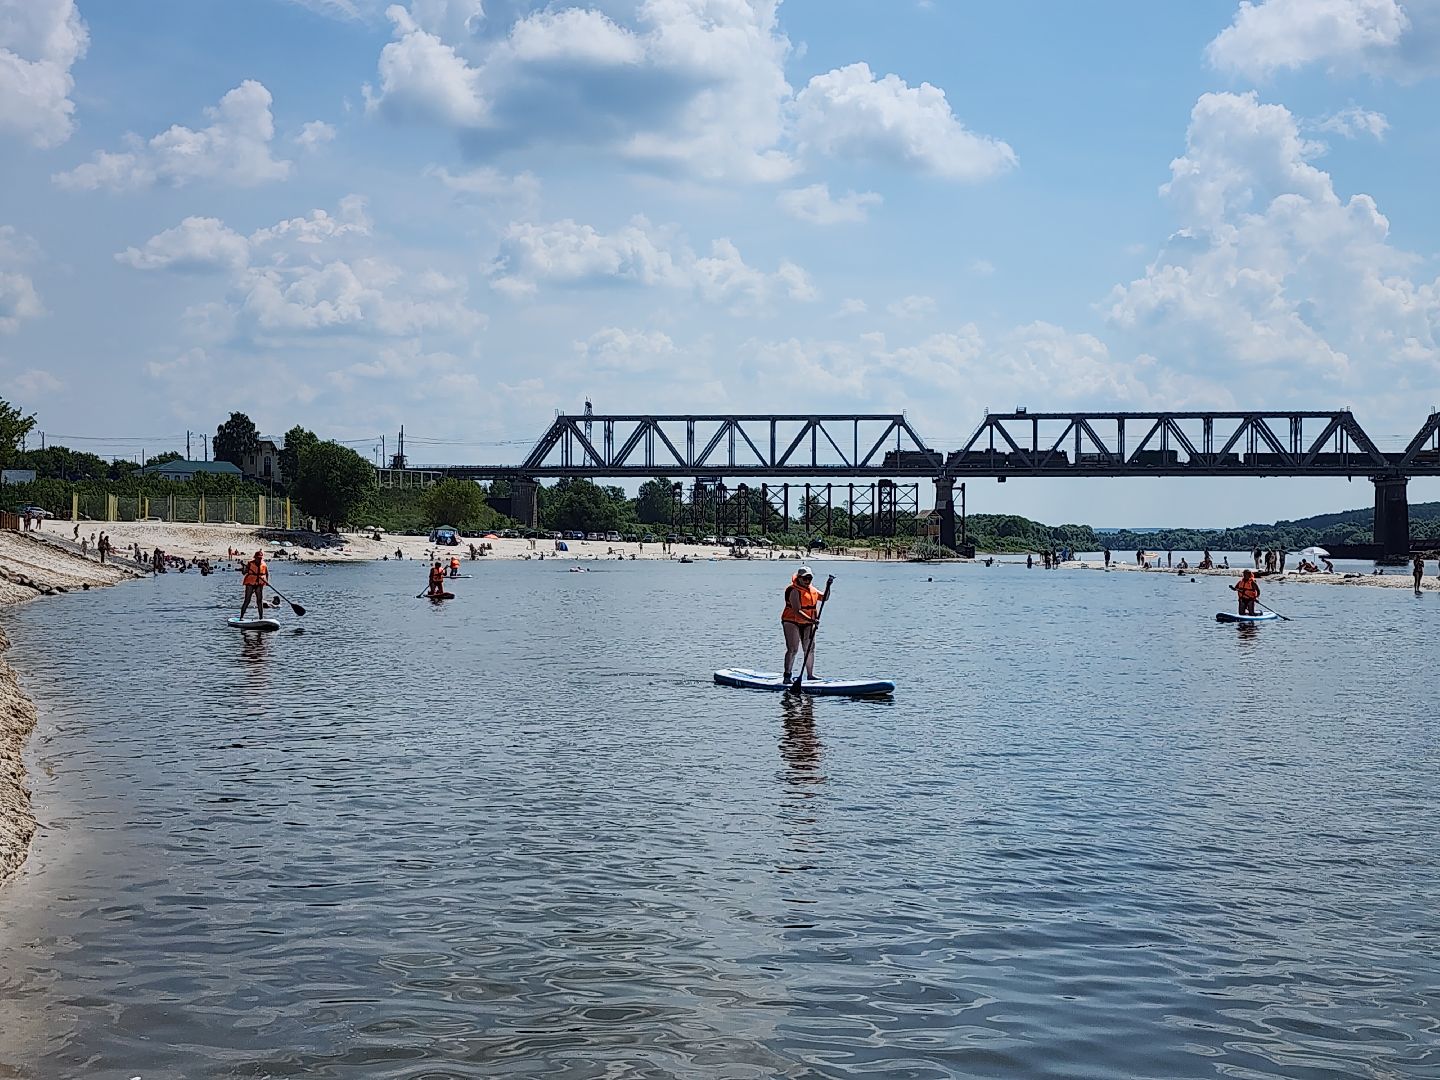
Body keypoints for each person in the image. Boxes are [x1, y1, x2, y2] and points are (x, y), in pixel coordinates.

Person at [781, 566, 832, 684]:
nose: (807, 581)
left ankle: (810, 675)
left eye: (810, 578)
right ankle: (787, 676)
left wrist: (828, 586)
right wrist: (812, 620)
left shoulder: (812, 590)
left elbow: (825, 598)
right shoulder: (794, 590)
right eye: (805, 578)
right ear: (799, 578)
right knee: (793, 649)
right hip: (791, 621)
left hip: (808, 623)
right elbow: (797, 611)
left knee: (809, 648)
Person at [240, 550, 269, 620]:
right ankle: (241, 617)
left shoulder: (264, 564)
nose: (259, 559)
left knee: (259, 600)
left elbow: (267, 574)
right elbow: (244, 573)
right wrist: (244, 568)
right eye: (258, 558)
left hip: (259, 584)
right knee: (247, 600)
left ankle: (261, 617)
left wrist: (267, 582)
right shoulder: (250, 564)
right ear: (255, 557)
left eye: (260, 558)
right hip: (250, 583)